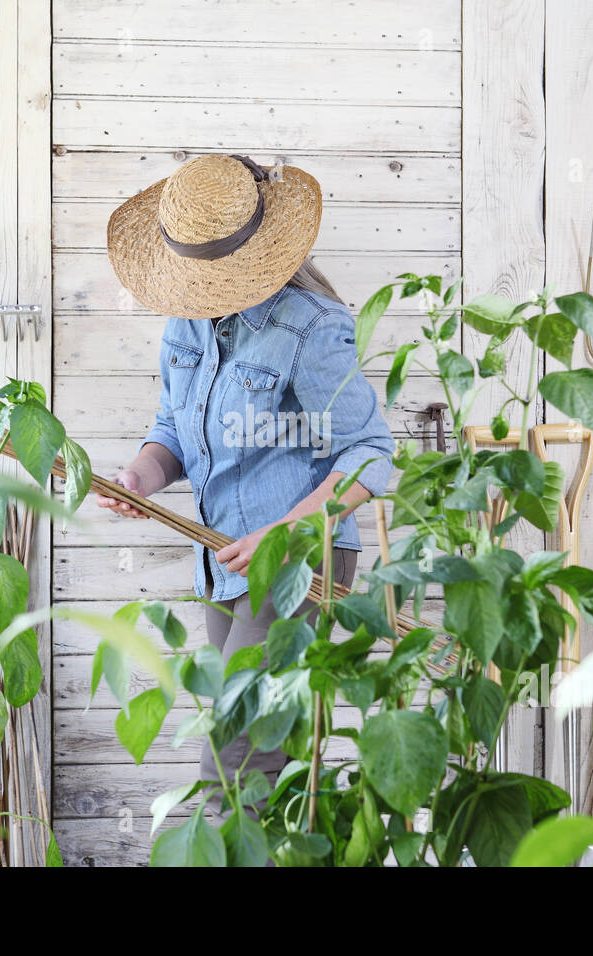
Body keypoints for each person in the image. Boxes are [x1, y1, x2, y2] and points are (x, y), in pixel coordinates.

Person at [99, 153, 395, 816]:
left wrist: (286, 534)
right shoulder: (188, 318)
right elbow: (172, 428)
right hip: (224, 558)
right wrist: (140, 477)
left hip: (297, 561)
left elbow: (372, 454)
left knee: (232, 758)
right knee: (264, 763)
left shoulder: (312, 327)